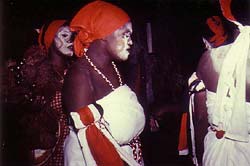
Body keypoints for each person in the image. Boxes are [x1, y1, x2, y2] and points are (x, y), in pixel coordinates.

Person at [62, 1, 145, 166]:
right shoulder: (79, 76)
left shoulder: (112, 66)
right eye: (125, 35)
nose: (130, 42)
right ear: (103, 35)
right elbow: (92, 143)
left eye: (131, 36)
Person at [3, 19, 74, 165]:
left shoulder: (75, 71)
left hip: (72, 149)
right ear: (50, 39)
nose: (71, 40)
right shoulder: (34, 72)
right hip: (45, 151)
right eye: (64, 35)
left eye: (73, 36)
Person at [193, 0, 250, 165]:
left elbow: (201, 118)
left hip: (215, 152)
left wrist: (198, 158)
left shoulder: (207, 60)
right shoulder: (209, 57)